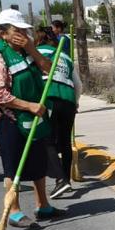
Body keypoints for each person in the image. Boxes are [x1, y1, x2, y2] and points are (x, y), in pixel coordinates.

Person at [0, 9, 59, 225]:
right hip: (10, 119)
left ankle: (43, 205)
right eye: (16, 31)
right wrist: (28, 105)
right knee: (13, 166)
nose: (21, 34)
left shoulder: (26, 50)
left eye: (24, 31)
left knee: (38, 163)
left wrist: (31, 48)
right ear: (4, 33)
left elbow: (49, 68)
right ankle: (14, 211)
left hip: (34, 116)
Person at [35, 25, 81, 198]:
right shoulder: (65, 56)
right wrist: (75, 103)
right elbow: (79, 85)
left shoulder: (36, 53)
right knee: (65, 142)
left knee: (47, 141)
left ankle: (60, 180)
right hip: (68, 100)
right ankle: (66, 180)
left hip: (50, 99)